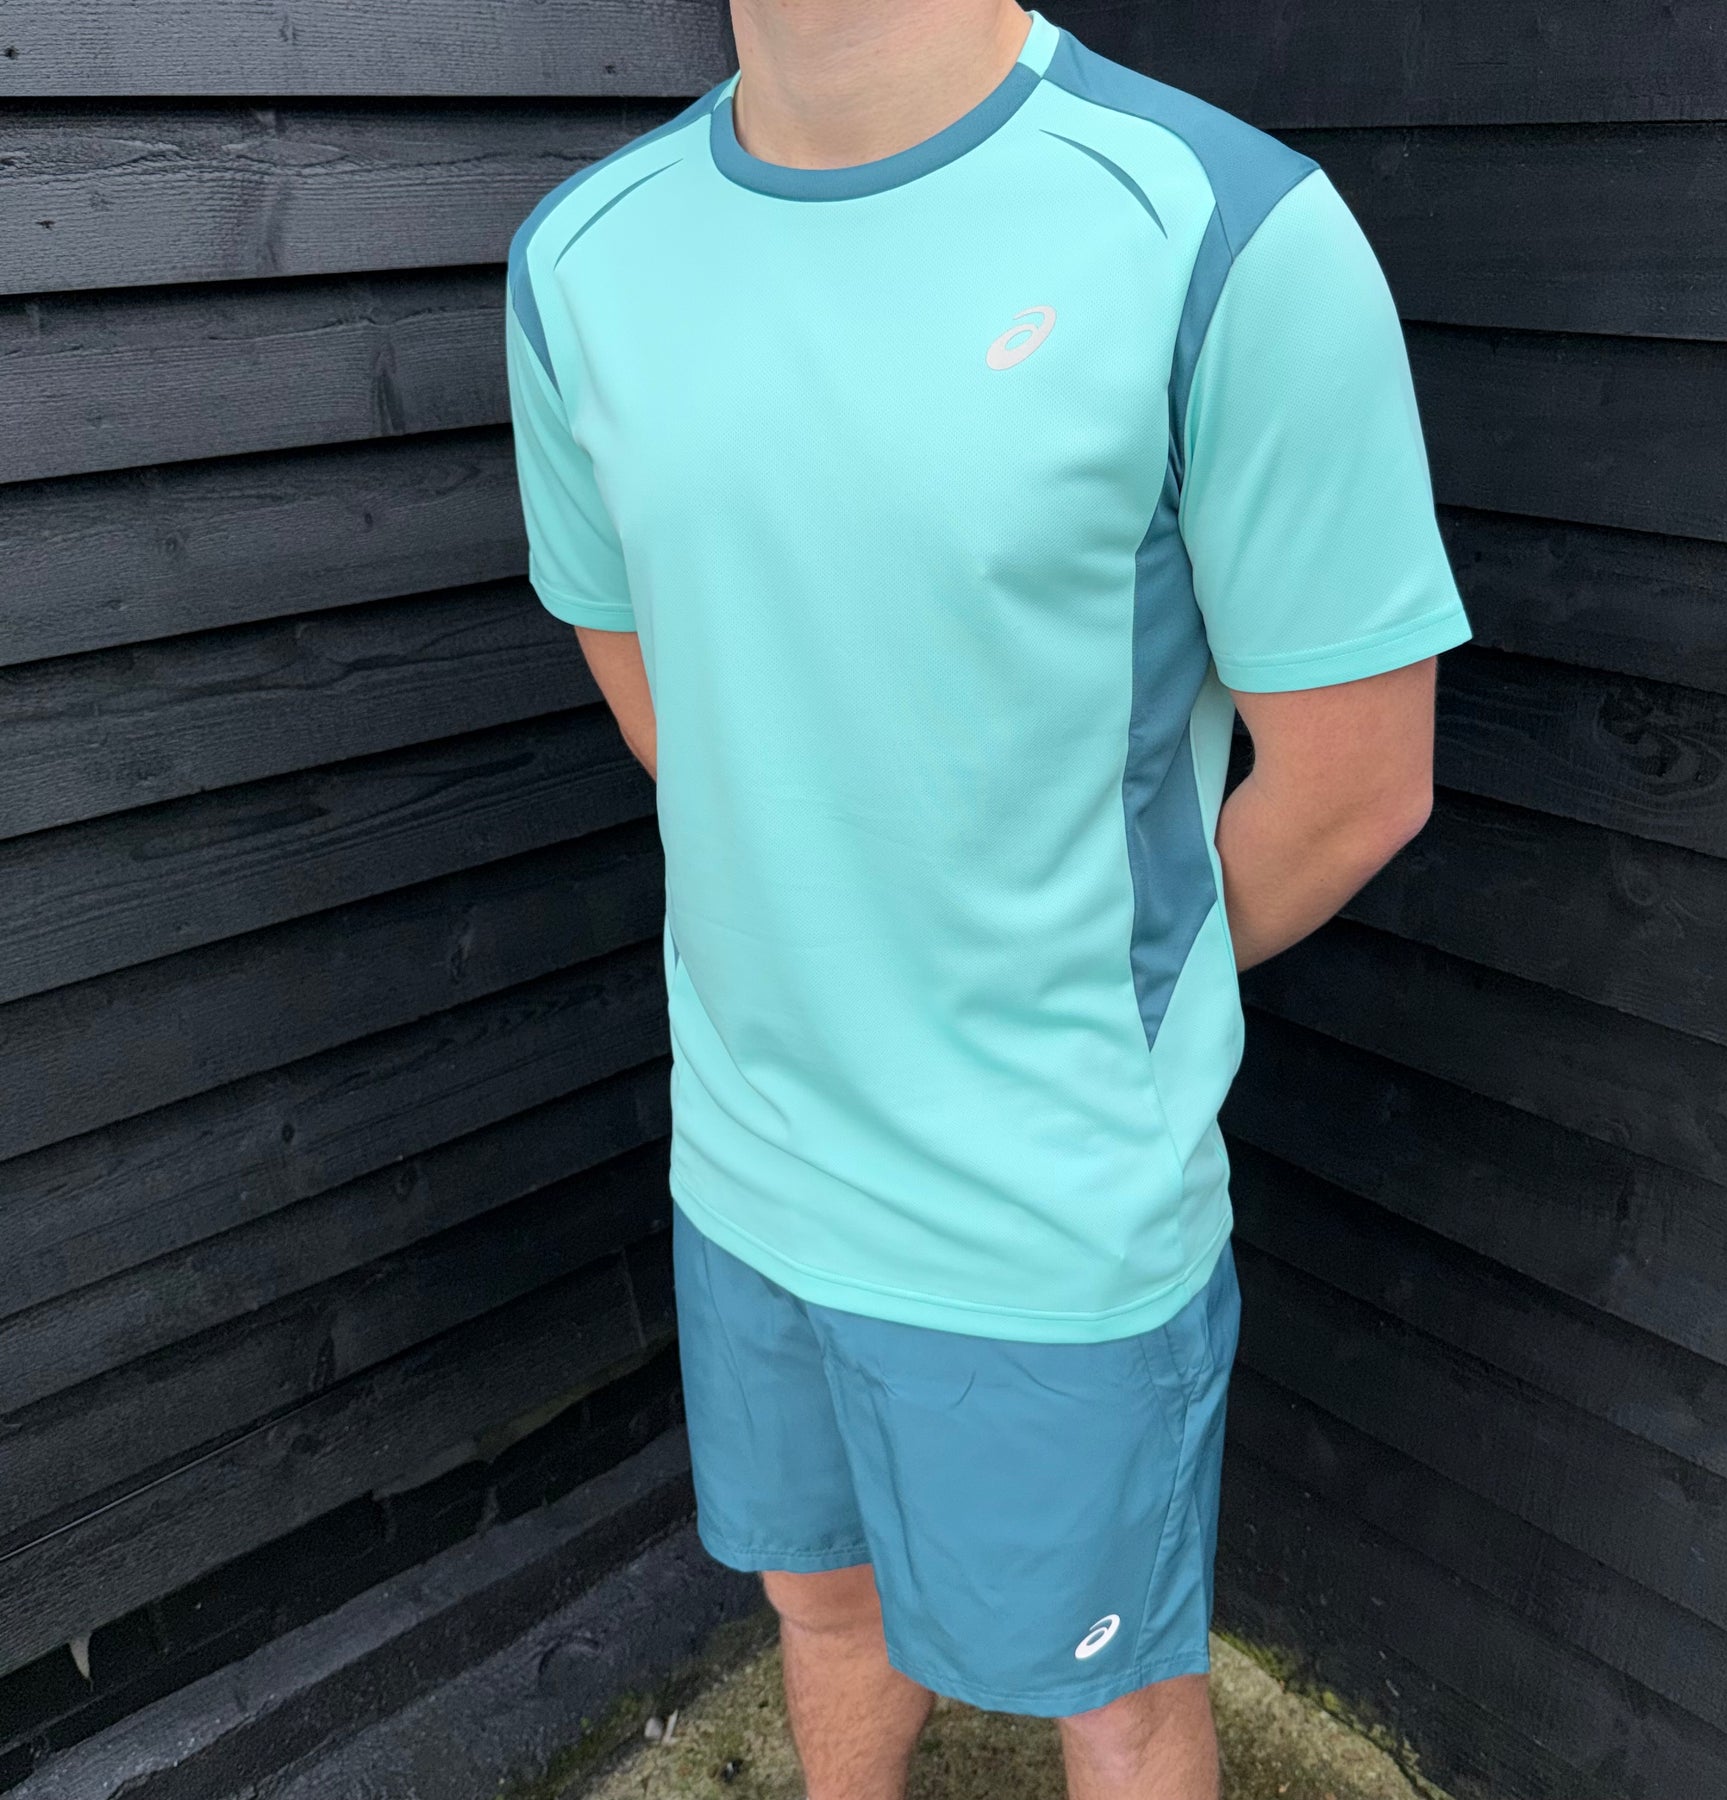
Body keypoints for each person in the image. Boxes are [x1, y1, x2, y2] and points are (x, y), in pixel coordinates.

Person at [504, 2, 1469, 1792]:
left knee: (1114, 1697)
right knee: (821, 1611)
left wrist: (1057, 993)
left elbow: (1355, 789)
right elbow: (665, 704)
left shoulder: (1221, 229)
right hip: (748, 1163)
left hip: (1047, 1206)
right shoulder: (582, 261)